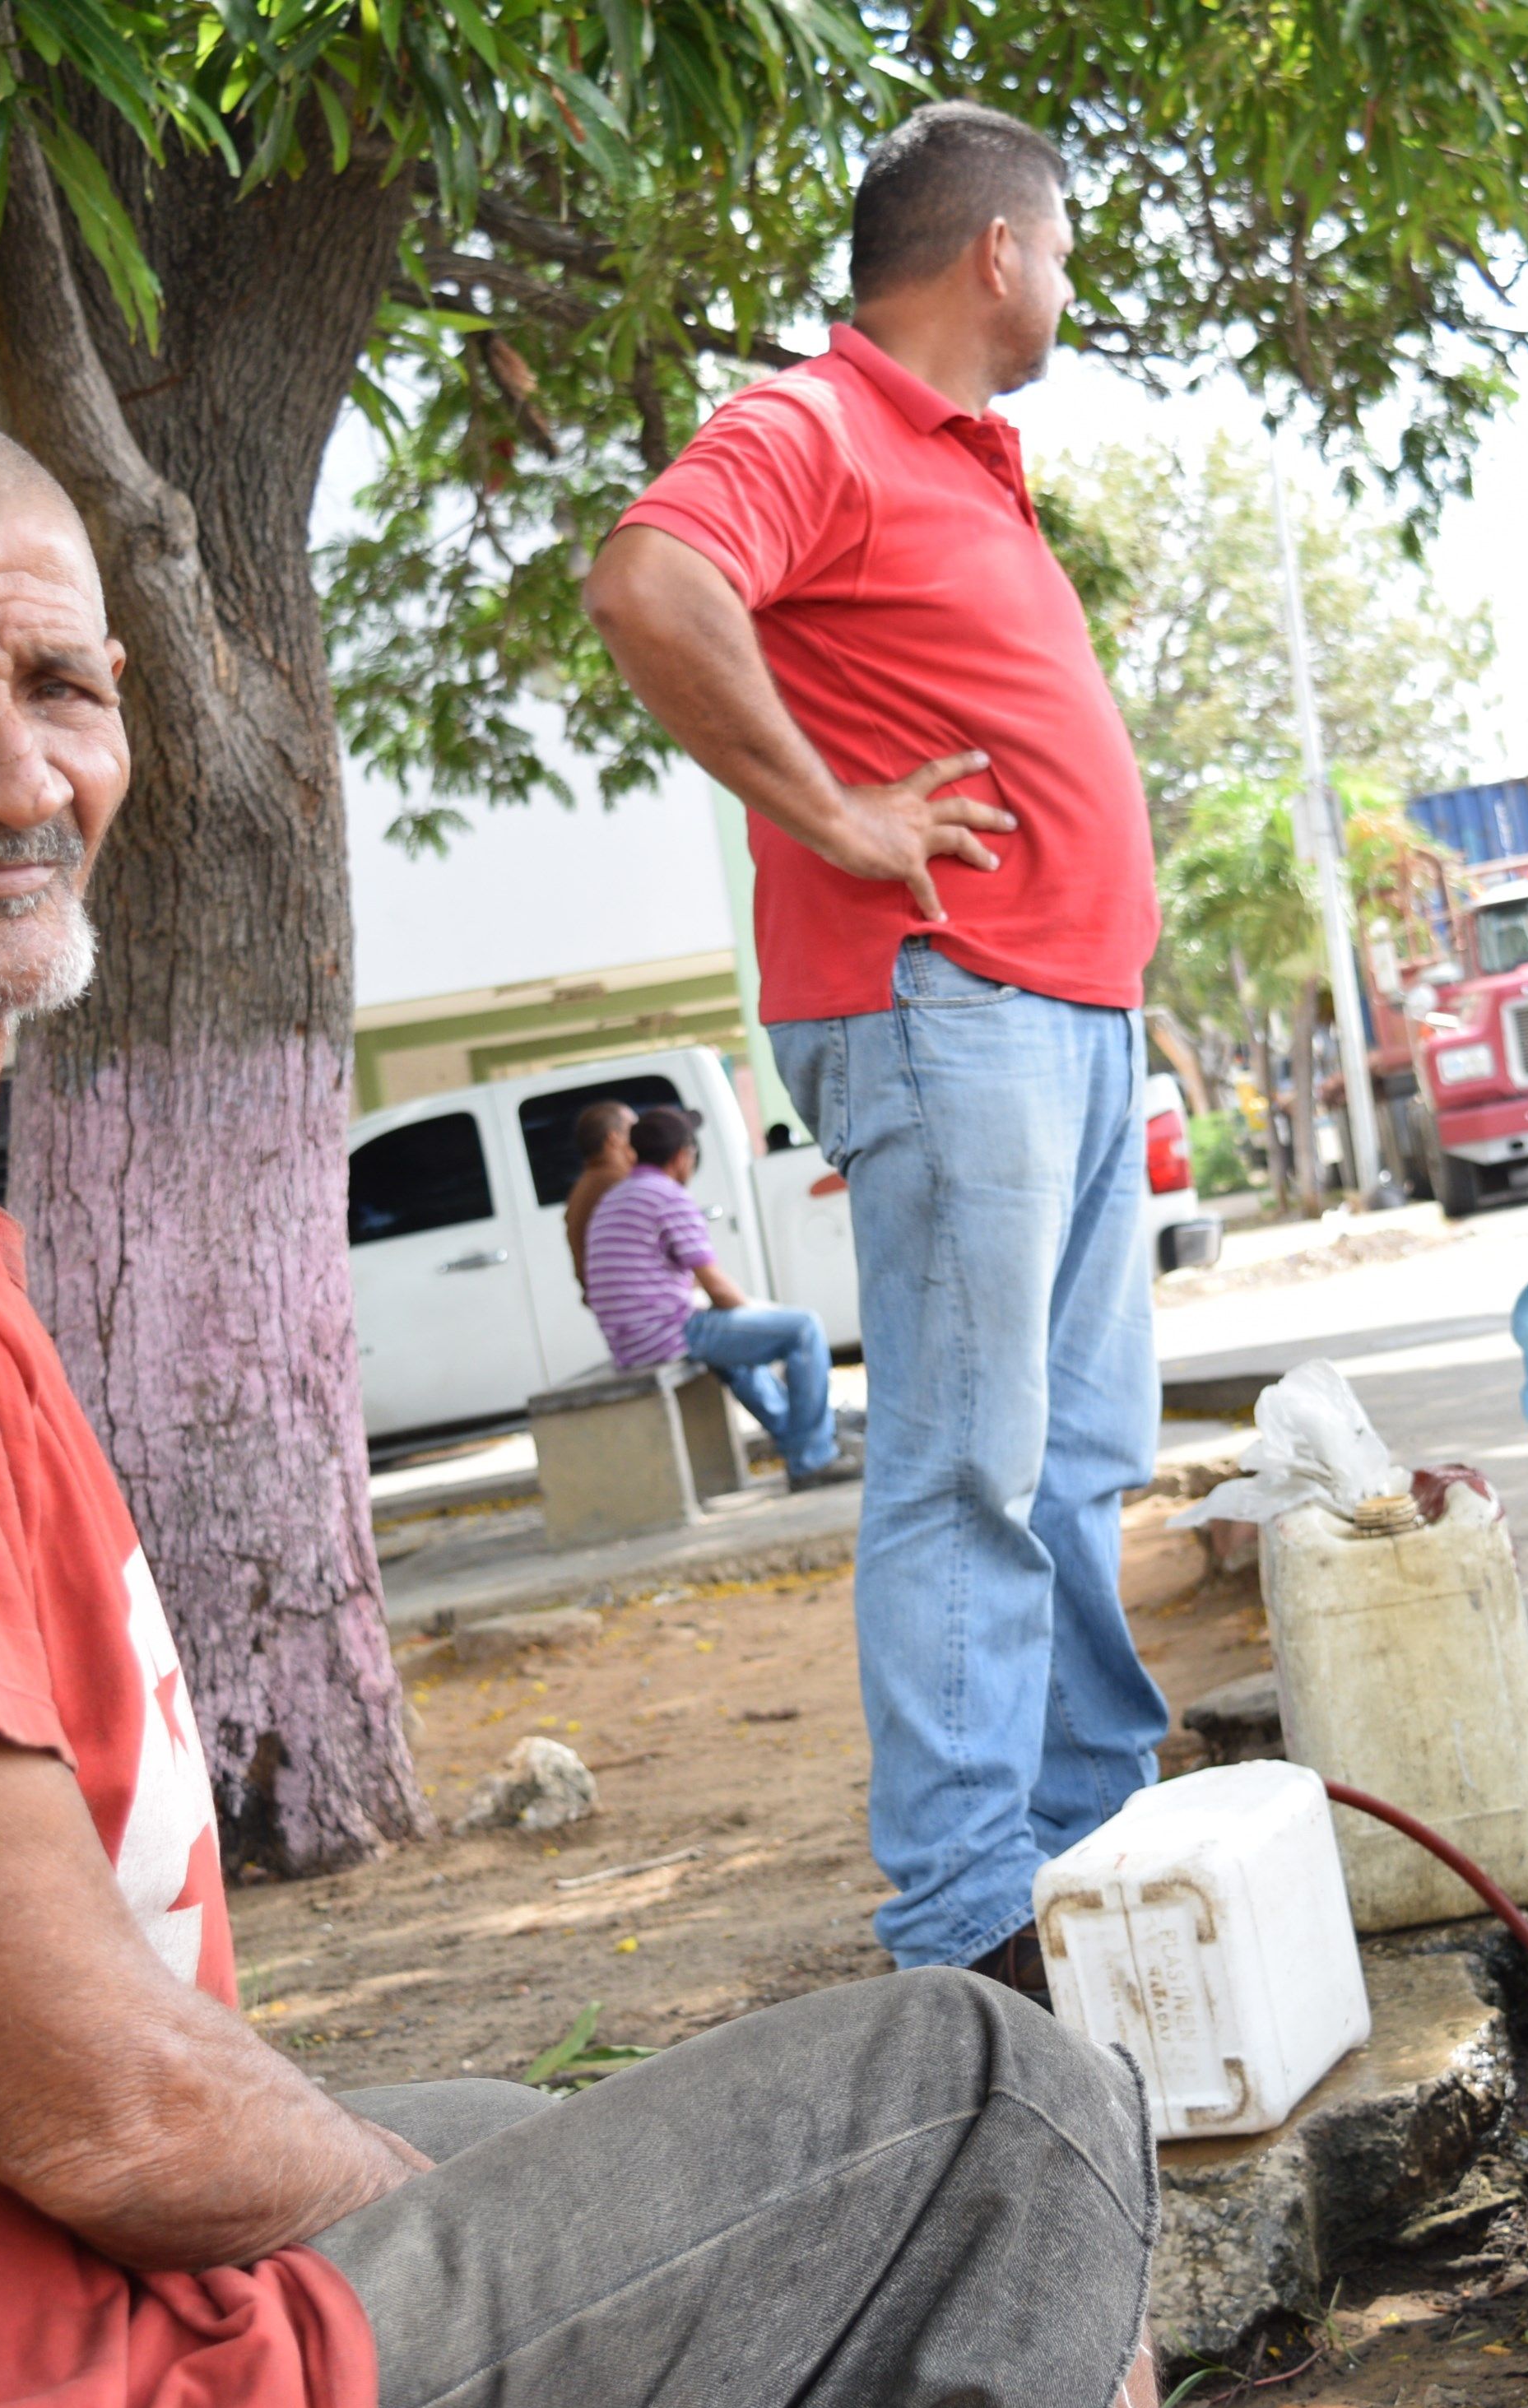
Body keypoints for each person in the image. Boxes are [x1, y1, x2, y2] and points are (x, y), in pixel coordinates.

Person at [0, 387, 1161, 2408]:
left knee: (557, 2143)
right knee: (990, 2104)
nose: (12, 778)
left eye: (61, 685)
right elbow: (104, 2100)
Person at [586, 101, 1168, 1995]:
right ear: (997, 252)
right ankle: (966, 1925)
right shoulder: (818, 421)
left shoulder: (967, 463)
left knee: (1077, 1460)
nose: (1064, 283)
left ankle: (1098, 1841)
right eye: (1061, 248)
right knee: (969, 1467)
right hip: (949, 1003)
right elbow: (650, 578)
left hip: (1057, 1007)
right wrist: (837, 816)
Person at [583, 1105, 850, 1488]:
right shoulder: (667, 1196)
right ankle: (813, 1457)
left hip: (631, 1340)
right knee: (803, 1328)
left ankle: (801, 1446)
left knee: (738, 1356)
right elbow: (718, 1288)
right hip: (665, 1333)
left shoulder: (618, 1196)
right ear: (682, 1156)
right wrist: (757, 1312)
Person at [560, 1097, 637, 1295]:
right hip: (639, 1302)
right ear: (614, 1139)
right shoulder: (622, 1184)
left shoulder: (583, 1186)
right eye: (634, 1130)